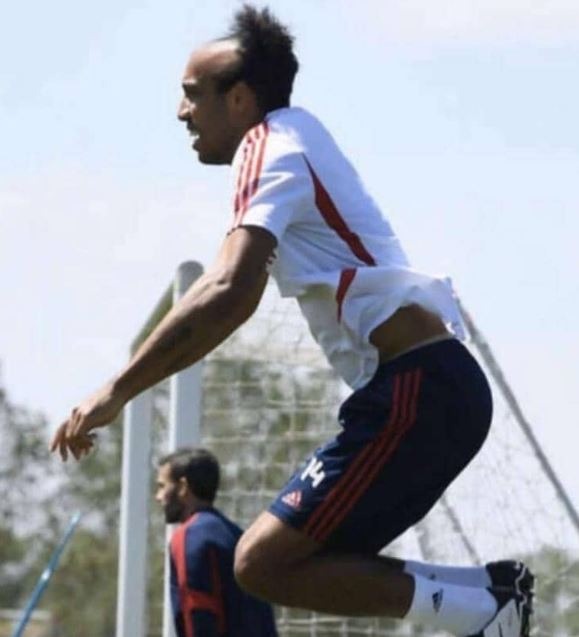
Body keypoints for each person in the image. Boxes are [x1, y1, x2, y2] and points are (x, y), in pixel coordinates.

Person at [50, 5, 535, 636]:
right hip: (428, 391)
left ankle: (486, 610)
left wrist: (116, 389)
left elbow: (227, 290)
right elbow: (238, 295)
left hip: (417, 393)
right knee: (289, 561)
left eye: (193, 94)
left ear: (240, 99)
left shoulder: (269, 144)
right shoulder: (296, 137)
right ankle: (486, 601)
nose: (181, 112)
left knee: (261, 562)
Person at [155, 447, 278, 636]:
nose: (158, 497)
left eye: (162, 486)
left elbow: (198, 611)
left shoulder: (190, 537)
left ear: (182, 487)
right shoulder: (237, 535)